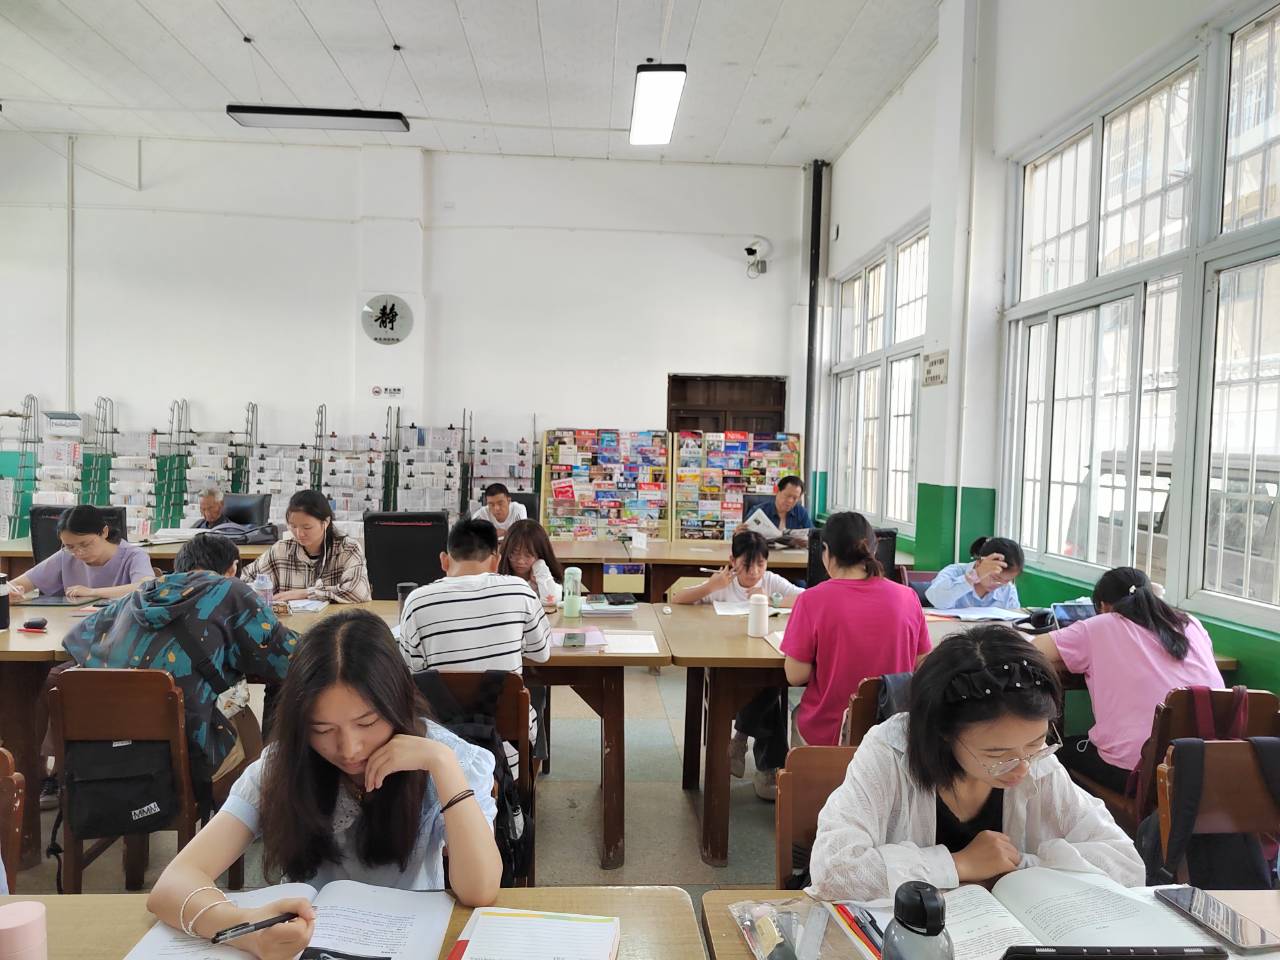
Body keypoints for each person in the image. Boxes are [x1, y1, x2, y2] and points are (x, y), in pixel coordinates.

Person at [146, 610, 502, 953]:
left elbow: (480, 890)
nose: (349, 749)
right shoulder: (284, 764)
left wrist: (443, 765)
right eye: (322, 729)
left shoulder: (448, 759)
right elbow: (172, 885)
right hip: (306, 946)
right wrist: (246, 931)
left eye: (366, 723)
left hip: (407, 942)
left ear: (398, 703)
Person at [808, 625, 1144, 902]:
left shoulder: (1034, 761)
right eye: (997, 755)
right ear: (943, 732)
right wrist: (958, 864)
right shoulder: (891, 752)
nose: (1022, 767)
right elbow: (832, 872)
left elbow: (1125, 862)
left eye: (1036, 743)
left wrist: (1021, 865)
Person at [61, 533, 299, 794]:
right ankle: (251, 806)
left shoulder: (140, 594)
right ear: (233, 568)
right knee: (244, 717)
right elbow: (286, 659)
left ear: (179, 566)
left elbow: (75, 639)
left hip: (112, 746)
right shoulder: (230, 589)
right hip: (192, 746)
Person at [1033, 567, 1223, 794]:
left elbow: (1032, 650)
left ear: (1103, 606)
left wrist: (1072, 659)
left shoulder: (1101, 625)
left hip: (1140, 772)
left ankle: (1092, 816)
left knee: (1057, 753)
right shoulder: (1190, 623)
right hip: (1208, 766)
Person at [399, 518, 550, 783]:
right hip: (507, 750)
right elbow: (542, 653)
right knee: (531, 701)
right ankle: (521, 792)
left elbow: (412, 673)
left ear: (444, 560)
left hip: (443, 751)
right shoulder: (520, 591)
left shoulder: (417, 601)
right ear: (496, 561)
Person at [782, 512, 931, 750]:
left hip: (830, 734)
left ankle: (802, 775)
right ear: (874, 549)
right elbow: (920, 663)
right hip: (894, 733)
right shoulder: (908, 597)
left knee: (798, 713)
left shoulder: (811, 600)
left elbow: (795, 675)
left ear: (826, 551)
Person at [674, 530, 804, 799]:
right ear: (732, 560)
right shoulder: (724, 583)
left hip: (763, 654)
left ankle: (741, 739)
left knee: (769, 679)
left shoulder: (770, 581)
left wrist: (772, 599)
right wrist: (710, 587)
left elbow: (806, 598)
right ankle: (768, 768)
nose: (754, 572)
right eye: (747, 565)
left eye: (761, 564)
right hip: (726, 662)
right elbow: (677, 599)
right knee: (768, 688)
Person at [239, 490, 370, 603]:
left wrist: (306, 593)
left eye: (307, 527)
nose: (299, 533)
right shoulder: (281, 550)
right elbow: (244, 580)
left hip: (332, 623)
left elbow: (358, 591)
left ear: (326, 522)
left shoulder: (347, 549)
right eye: (293, 526)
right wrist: (262, 592)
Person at [7, 504, 153, 601]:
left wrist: (92, 592)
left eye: (85, 544)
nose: (78, 552)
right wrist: (13, 591)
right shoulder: (66, 556)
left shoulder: (134, 556)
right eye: (70, 546)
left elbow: (147, 587)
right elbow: (14, 584)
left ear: (104, 532)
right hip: (72, 626)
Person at [925, 536, 1024, 609]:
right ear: (979, 563)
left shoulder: (1008, 588)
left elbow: (1013, 619)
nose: (999, 584)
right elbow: (936, 600)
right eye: (995, 578)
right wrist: (975, 575)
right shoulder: (954, 571)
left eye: (1007, 580)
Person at [497, 518, 563, 606]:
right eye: (514, 553)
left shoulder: (545, 579)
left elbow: (551, 601)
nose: (520, 561)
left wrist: (541, 571)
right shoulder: (499, 579)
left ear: (540, 554)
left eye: (528, 555)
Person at [736, 475, 812, 540]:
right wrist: (739, 533)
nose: (790, 501)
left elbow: (813, 534)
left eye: (795, 498)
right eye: (787, 496)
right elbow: (742, 538)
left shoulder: (801, 512)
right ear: (777, 491)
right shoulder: (759, 511)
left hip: (793, 552)